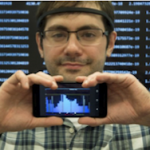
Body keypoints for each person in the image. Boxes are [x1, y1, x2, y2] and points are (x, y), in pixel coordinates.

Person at [0, 1, 150, 149]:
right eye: (58, 34)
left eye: (89, 34)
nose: (72, 48)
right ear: (40, 44)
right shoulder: (7, 116)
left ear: (110, 43)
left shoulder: (143, 117)